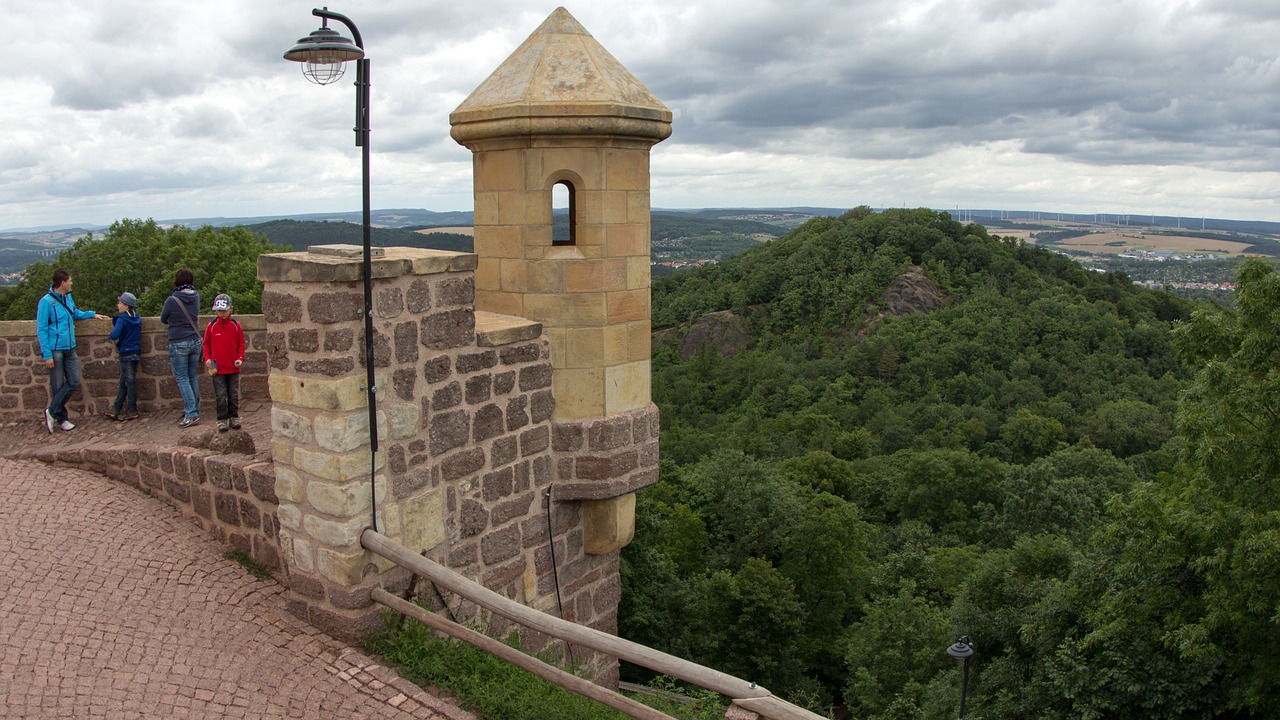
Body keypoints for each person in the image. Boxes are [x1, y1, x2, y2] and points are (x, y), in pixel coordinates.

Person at [36, 268, 108, 433]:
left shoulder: (68, 298)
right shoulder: (46, 302)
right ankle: (61, 418)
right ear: (62, 283)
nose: (71, 283)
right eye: (70, 281)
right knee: (57, 385)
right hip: (55, 349)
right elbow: (41, 329)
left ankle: (51, 411)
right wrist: (47, 355)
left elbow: (74, 313)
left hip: (70, 347)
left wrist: (92, 315)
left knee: (74, 381)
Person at [160, 269, 202, 428]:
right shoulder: (196, 296)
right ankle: (195, 410)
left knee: (183, 378)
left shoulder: (172, 300)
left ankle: (191, 414)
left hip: (179, 341)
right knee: (192, 377)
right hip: (194, 340)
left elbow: (163, 318)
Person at [202, 293, 245, 432]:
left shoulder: (235, 325)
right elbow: (206, 344)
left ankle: (234, 417)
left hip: (233, 366)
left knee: (233, 394)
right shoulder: (212, 326)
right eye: (219, 311)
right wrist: (207, 358)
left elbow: (241, 344)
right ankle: (221, 419)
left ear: (230, 309)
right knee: (220, 395)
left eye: (224, 310)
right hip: (217, 367)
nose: (222, 313)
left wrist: (240, 358)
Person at [105, 292, 142, 421]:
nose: (118, 305)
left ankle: (132, 409)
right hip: (135, 352)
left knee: (129, 381)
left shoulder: (122, 319)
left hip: (126, 352)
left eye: (120, 303)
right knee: (124, 381)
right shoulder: (136, 318)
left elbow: (114, 335)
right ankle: (116, 408)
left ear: (126, 306)